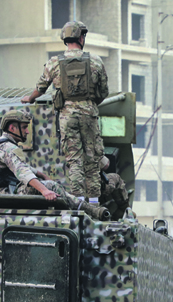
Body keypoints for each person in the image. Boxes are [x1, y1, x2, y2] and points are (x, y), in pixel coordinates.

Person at [21, 21, 109, 204]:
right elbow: (103, 92)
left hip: (66, 117)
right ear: (81, 38)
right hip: (89, 115)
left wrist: (29, 98)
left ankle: (78, 202)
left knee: (74, 158)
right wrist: (89, 103)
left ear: (65, 40)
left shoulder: (54, 63)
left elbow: (41, 87)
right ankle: (94, 203)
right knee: (92, 157)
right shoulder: (95, 61)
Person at [0, 110, 110, 220]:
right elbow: (23, 173)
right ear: (12, 128)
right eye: (23, 127)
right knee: (51, 186)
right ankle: (89, 213)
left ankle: (85, 210)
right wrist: (45, 190)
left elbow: (20, 166)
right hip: (2, 195)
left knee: (47, 183)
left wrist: (41, 175)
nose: (27, 131)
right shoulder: (8, 148)